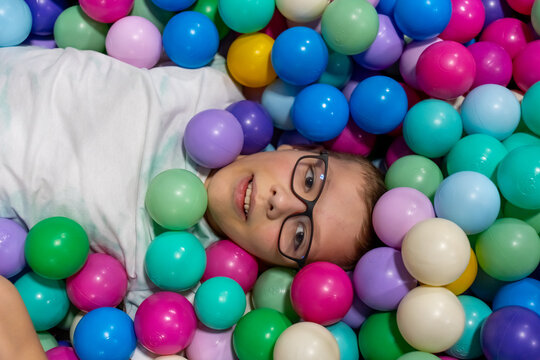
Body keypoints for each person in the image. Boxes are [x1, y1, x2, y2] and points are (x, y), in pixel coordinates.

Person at [0, 46, 385, 359]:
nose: (281, 202)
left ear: (278, 265)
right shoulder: (220, 90)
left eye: (299, 236)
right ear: (303, 147)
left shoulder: (175, 281)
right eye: (308, 179)